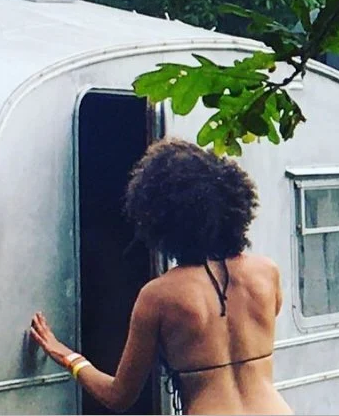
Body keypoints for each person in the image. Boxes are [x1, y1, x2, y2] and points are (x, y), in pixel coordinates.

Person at [30, 138, 293, 415]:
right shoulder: (267, 272)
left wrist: (67, 356)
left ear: (159, 218)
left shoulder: (159, 296)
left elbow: (118, 396)